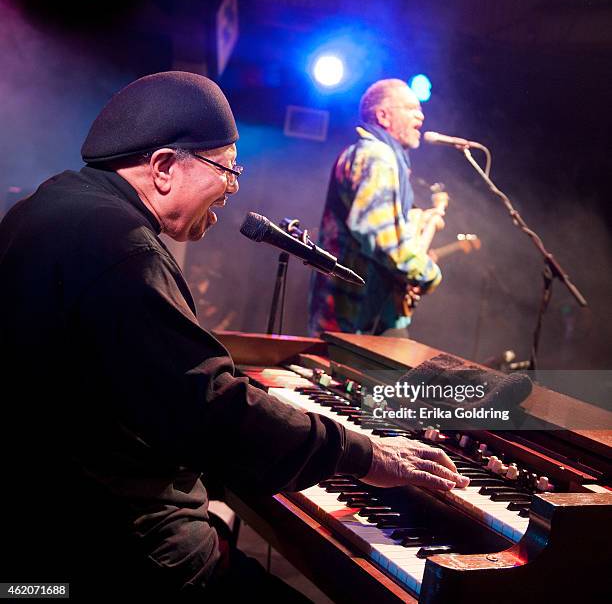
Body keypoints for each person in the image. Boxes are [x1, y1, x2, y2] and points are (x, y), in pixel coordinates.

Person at [0, 72, 467, 601]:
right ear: (162, 167)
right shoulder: (125, 250)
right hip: (119, 557)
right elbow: (211, 407)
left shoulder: (43, 210)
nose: (234, 186)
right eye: (227, 167)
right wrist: (362, 454)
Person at [309, 78, 444, 337]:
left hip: (368, 317)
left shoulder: (383, 158)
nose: (421, 116)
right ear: (383, 115)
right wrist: (427, 273)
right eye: (411, 108)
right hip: (353, 320)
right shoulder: (377, 156)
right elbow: (382, 237)